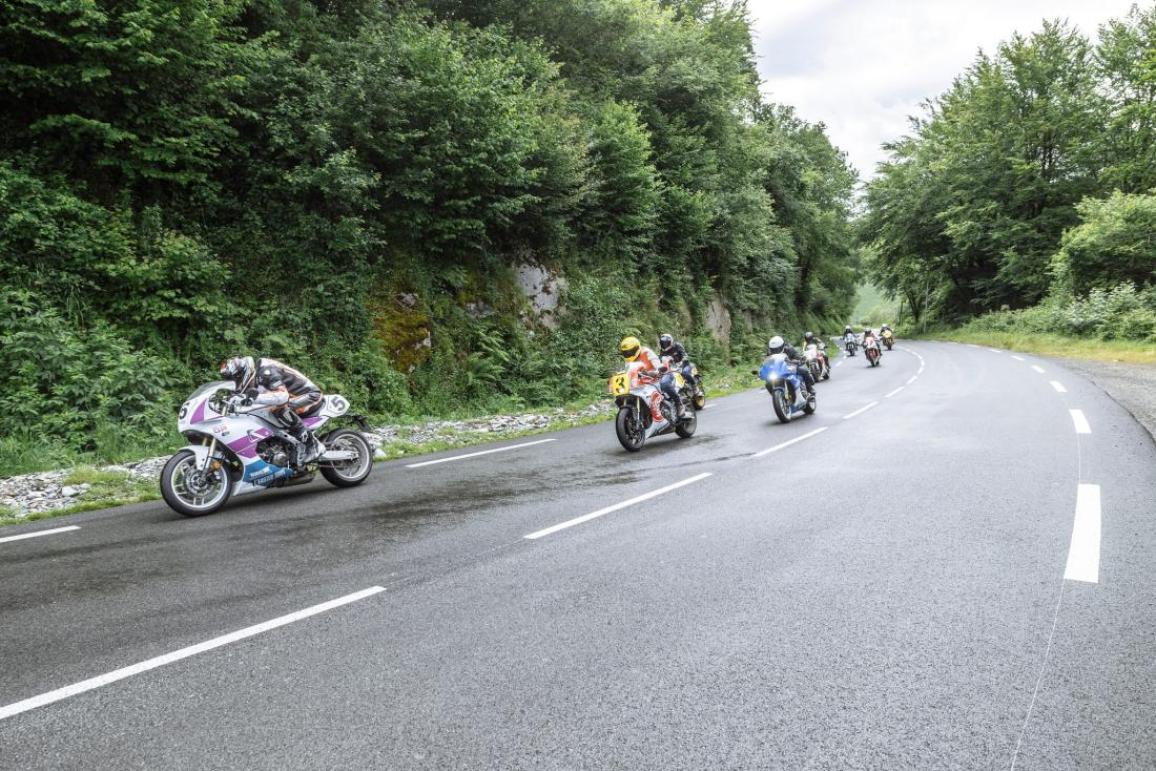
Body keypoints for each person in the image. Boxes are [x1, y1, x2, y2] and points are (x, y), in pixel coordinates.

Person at [219, 356, 324, 465]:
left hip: (310, 395)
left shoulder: (266, 370)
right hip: (293, 398)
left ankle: (312, 444)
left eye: (236, 379)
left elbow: (282, 396)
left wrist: (254, 399)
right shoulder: (256, 377)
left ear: (243, 372)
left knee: (278, 409)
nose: (236, 382)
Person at [618, 336, 685, 418]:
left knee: (665, 384)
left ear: (637, 348)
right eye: (626, 353)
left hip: (660, 375)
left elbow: (657, 364)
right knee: (630, 392)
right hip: (645, 381)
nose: (628, 354)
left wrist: (657, 370)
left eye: (631, 351)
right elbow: (628, 371)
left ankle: (679, 404)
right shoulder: (628, 360)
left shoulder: (646, 352)